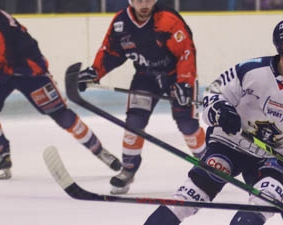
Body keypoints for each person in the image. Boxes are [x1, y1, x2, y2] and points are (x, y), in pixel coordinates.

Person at [112, 17, 283, 225]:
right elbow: (213, 95)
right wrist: (220, 112)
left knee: (267, 201)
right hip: (230, 144)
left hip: (275, 156)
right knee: (193, 194)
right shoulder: (249, 71)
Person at [0, 0, 120, 180]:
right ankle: (1, 155)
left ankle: (99, 150)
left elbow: (9, 69)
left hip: (30, 73)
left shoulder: (8, 32)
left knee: (61, 115)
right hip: (0, 68)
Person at [77, 0, 206, 195]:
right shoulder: (121, 23)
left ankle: (209, 165)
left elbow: (186, 53)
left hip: (176, 76)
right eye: (139, 0)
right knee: (134, 122)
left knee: (187, 123)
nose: (144, 4)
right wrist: (95, 72)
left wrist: (185, 84)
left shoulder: (167, 21)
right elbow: (111, 52)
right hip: (145, 77)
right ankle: (128, 168)